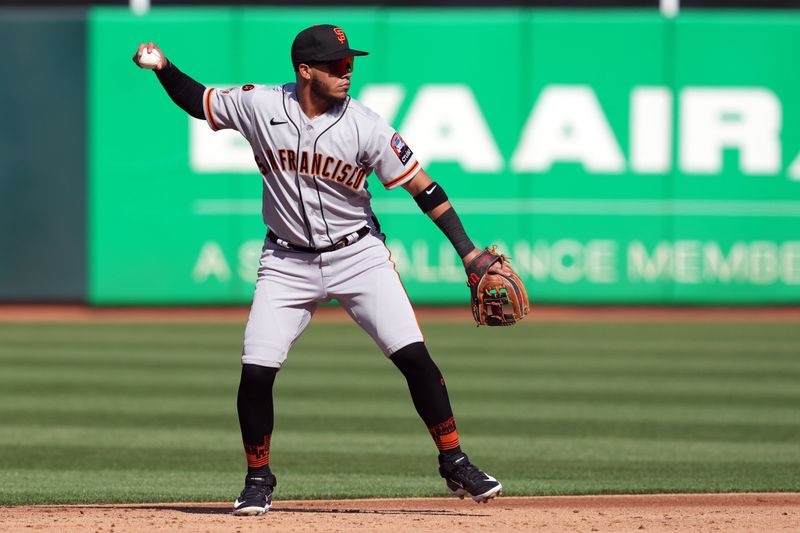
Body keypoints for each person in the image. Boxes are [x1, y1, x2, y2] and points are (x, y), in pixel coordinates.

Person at [133, 23, 505, 516]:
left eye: (349, 61)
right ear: (305, 70)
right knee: (256, 369)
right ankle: (258, 477)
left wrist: (468, 251)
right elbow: (197, 98)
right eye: (335, 63)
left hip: (359, 256)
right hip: (286, 261)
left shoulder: (367, 125)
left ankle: (454, 461)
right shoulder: (260, 104)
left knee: (414, 357)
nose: (347, 70)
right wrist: (163, 67)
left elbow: (425, 188)